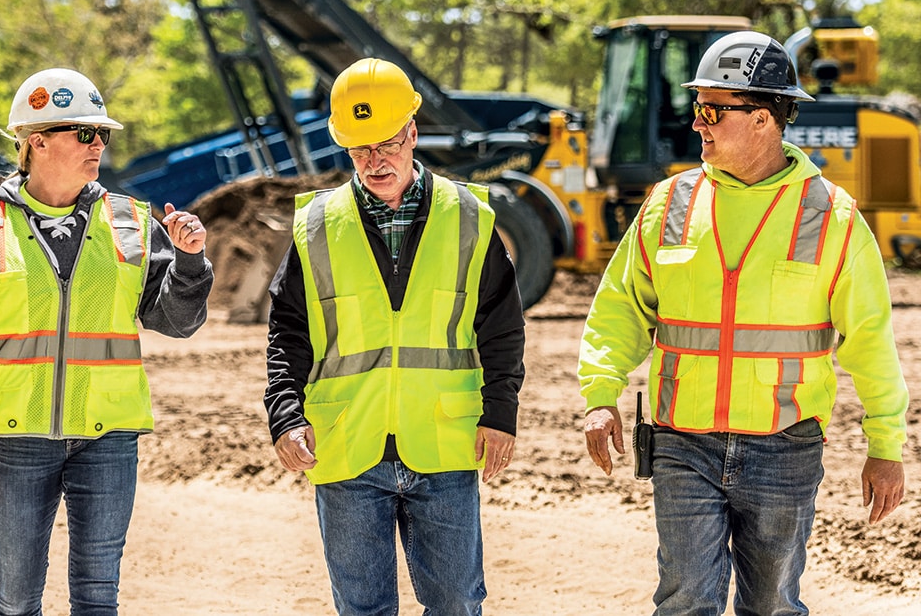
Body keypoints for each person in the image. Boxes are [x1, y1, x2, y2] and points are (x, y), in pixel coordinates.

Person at [576, 31, 908, 615]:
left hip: (785, 449)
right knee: (684, 603)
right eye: (696, 107)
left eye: (711, 109)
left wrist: (885, 445)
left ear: (763, 118)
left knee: (773, 606)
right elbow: (620, 307)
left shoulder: (832, 216)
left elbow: (872, 342)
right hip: (683, 443)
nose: (697, 123)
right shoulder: (668, 203)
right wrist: (601, 393)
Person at [0, 68, 214, 615]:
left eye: (102, 134)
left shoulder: (129, 220)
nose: (98, 144)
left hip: (107, 438)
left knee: (98, 598)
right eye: (84, 133)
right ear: (36, 141)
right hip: (18, 439)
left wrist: (191, 261)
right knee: (16, 600)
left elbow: (176, 321)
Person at [265, 57, 525, 615]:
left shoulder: (468, 217)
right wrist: (285, 414)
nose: (374, 161)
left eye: (385, 143)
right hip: (346, 445)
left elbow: (501, 326)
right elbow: (288, 331)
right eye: (359, 148)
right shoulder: (316, 225)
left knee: (456, 604)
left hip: (444, 443)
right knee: (362, 609)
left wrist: (500, 413)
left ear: (412, 133)